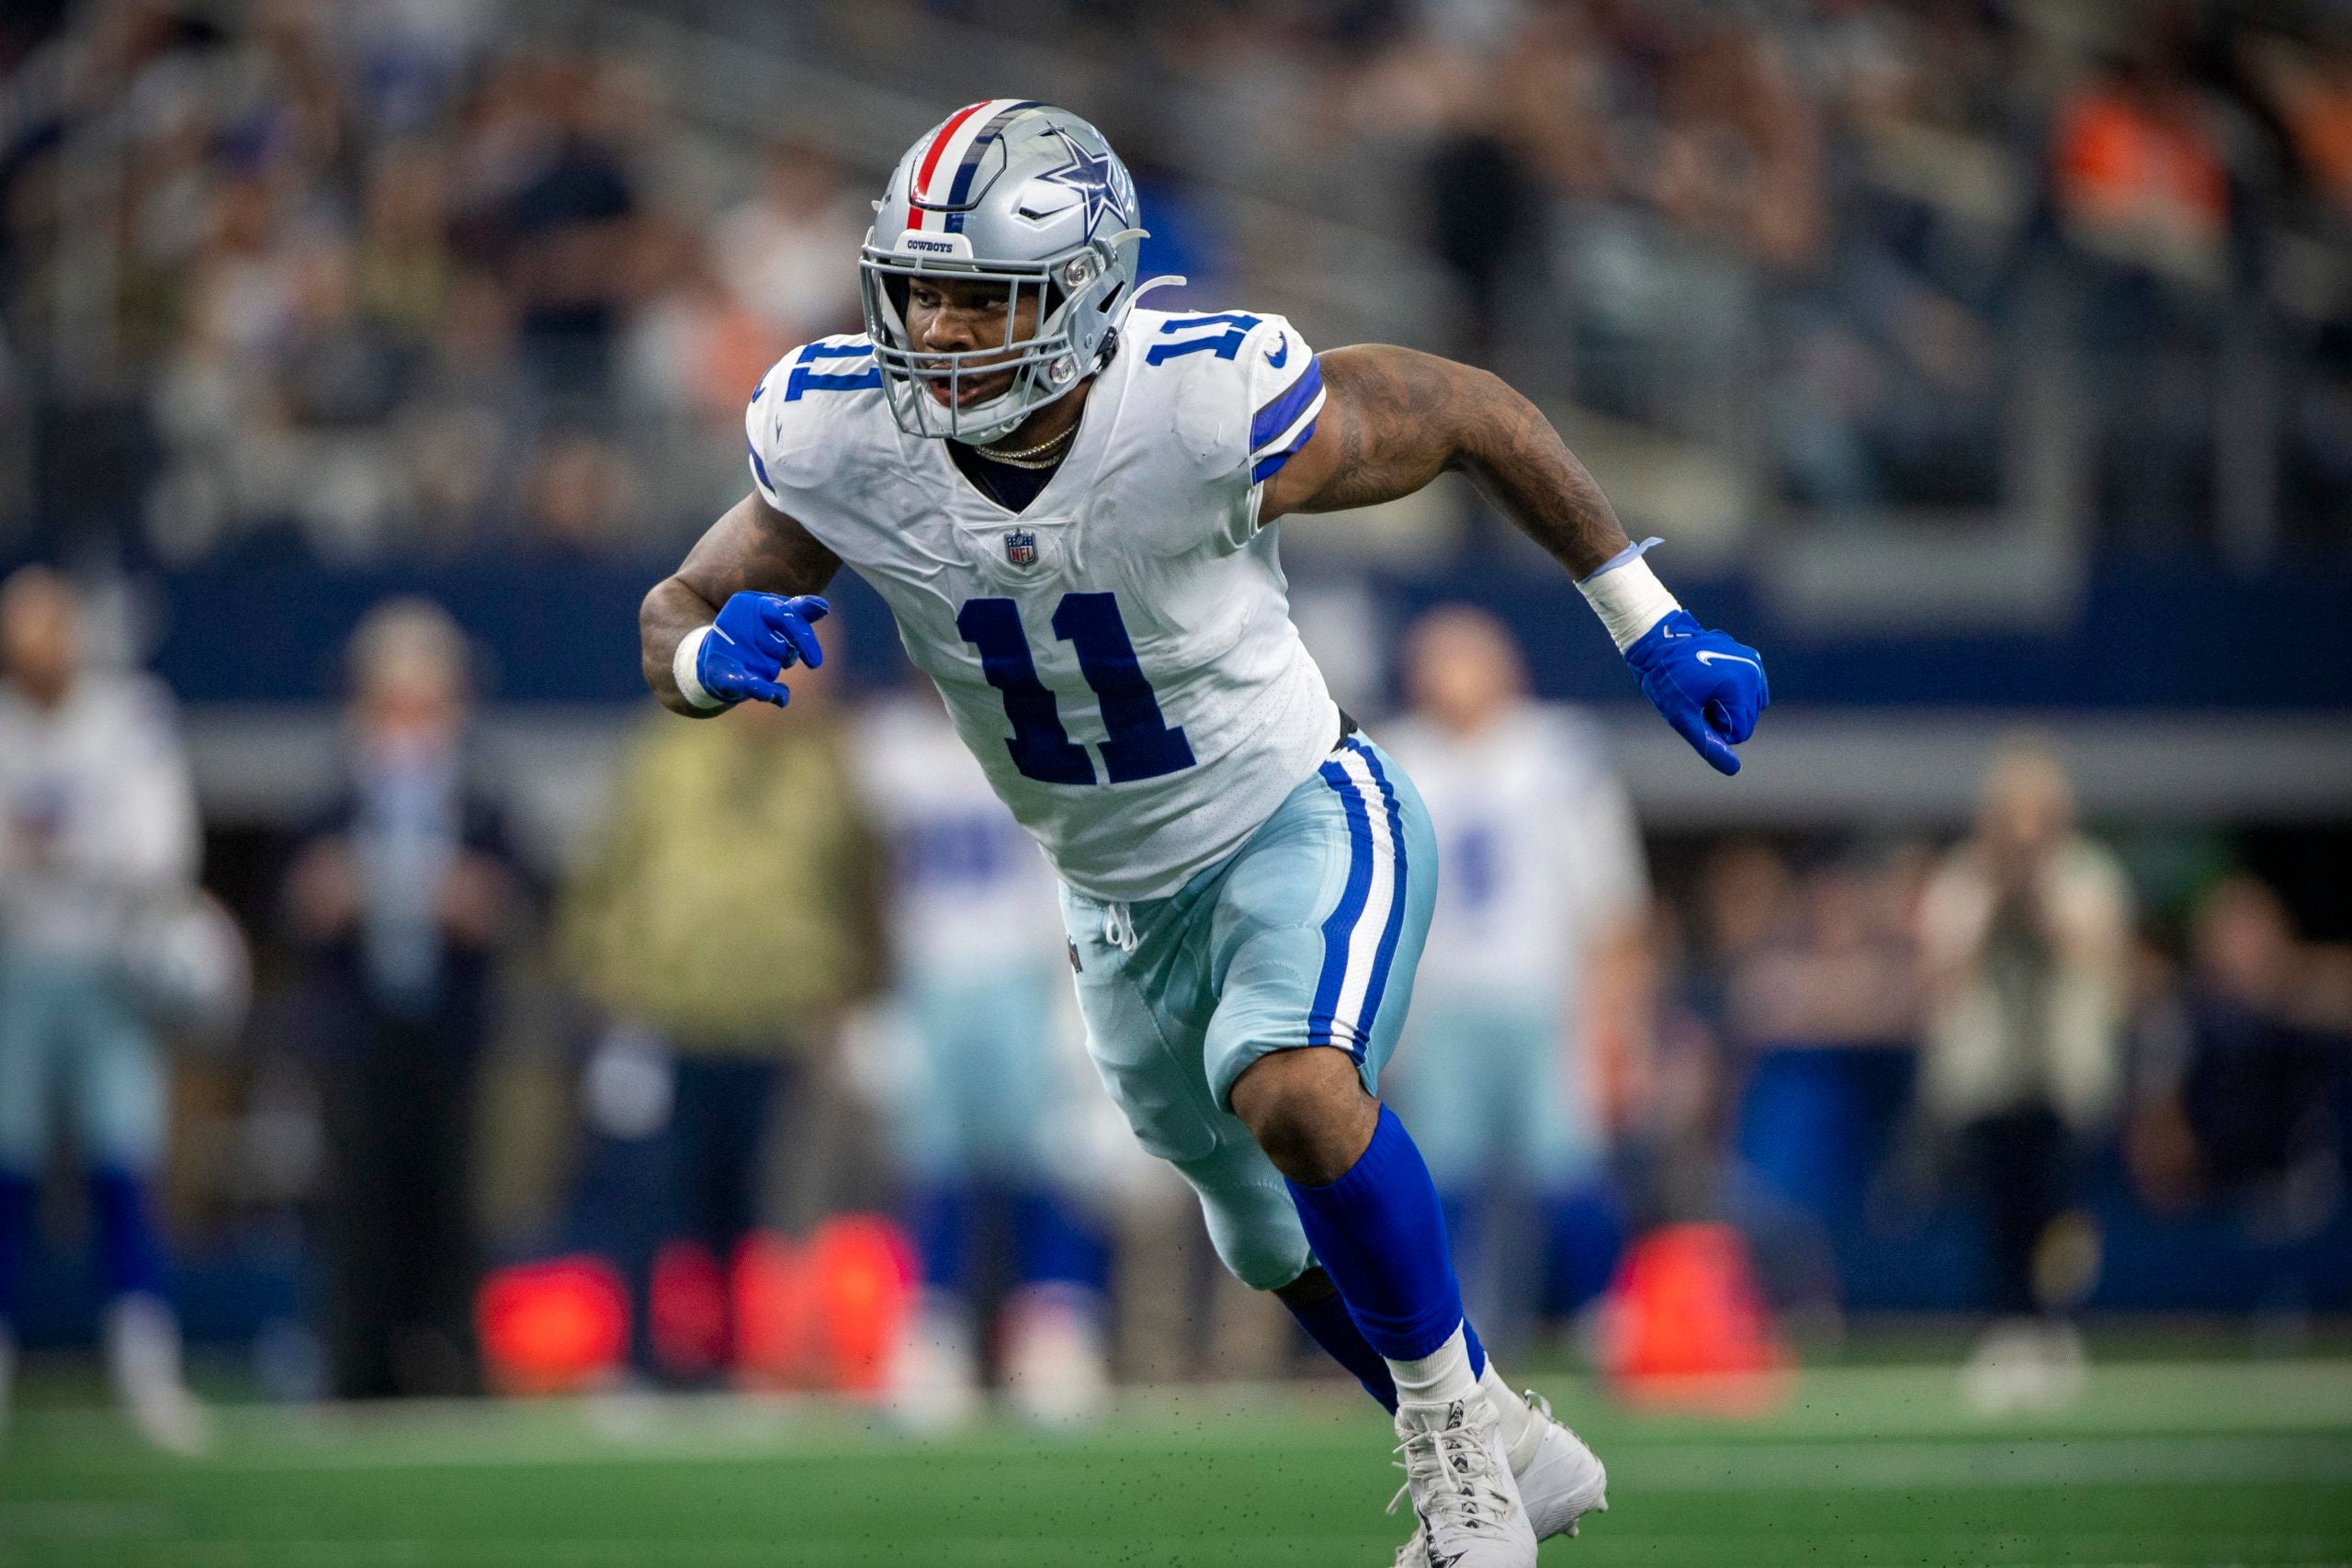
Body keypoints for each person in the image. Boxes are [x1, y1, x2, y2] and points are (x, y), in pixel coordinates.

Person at [638, 103, 1769, 1566]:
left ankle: (1465, 1489)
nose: (936, 328)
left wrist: (1647, 619)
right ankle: (1510, 1440)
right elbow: (678, 601)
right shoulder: (846, 433)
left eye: (981, 296)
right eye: (916, 290)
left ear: (1084, 293)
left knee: (1292, 1084)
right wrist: (701, 659)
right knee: (1259, 1232)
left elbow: (1470, 410)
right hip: (1110, 894)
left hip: (1298, 812)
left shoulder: (1195, 405)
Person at [560, 626, 882, 1384]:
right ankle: (643, 1363)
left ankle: (747, 1362)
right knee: (651, 1196)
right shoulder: (665, 752)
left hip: (782, 1026)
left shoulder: (834, 770)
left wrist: (849, 993)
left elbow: (864, 897)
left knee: (765, 1206)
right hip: (667, 1017)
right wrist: (604, 977)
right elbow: (602, 872)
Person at [1381, 606, 1649, 1352]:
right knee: (1444, 1178)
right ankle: (1448, 1338)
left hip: (1545, 996)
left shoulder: (1559, 750)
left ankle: (1605, 1319)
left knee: (1568, 1170)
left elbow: (1611, 896)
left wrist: (1619, 1016)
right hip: (1438, 1004)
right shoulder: (1398, 755)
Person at [852, 679, 1110, 1429]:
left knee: (1050, 1158)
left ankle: (1054, 1332)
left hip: (1025, 974)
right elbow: (857, 885)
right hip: (924, 978)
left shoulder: (1041, 732)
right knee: (933, 1165)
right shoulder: (882, 751)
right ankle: (933, 1335)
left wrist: (1077, 991)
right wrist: (868, 997)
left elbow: (1081, 867)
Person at [283, 599, 524, 1400]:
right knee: (358, 1207)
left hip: (447, 1030)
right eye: (396, 705)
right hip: (360, 1031)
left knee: (450, 1204)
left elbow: (510, 899)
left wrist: (474, 901)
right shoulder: (334, 796)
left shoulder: (479, 798)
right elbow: (296, 899)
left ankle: (453, 1368)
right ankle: (358, 1373)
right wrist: (331, 893)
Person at [0, 567, 209, 1451]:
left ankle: (143, 1361)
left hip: (112, 965)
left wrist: (60, 851)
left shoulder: (128, 717)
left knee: (122, 1163)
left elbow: (159, 850)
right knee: (8, 1170)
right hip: (16, 967)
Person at [1917, 738, 2131, 1413]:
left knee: (2060, 1211)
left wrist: (2038, 901)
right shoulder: (1963, 881)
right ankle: (2005, 1328)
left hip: (2062, 1077)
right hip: (1989, 1079)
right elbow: (1940, 975)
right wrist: (1996, 903)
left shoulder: (2088, 877)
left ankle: (2055, 1325)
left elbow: (2105, 964)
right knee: (1998, 1210)